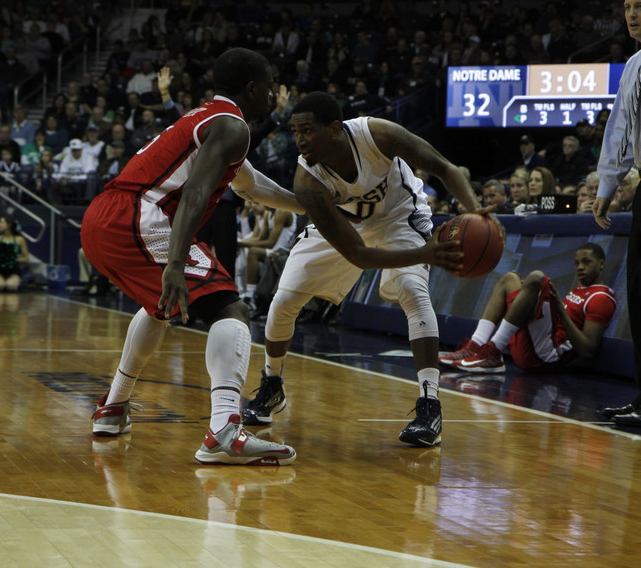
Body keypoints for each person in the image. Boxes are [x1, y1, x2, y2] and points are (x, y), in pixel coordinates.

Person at [80, 47, 303, 465]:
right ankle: (224, 431)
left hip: (107, 217)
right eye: (271, 87)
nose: (274, 96)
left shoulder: (209, 119)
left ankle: (113, 407)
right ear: (253, 88)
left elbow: (252, 186)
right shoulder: (232, 126)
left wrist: (309, 207)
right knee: (231, 309)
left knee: (162, 306)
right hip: (138, 216)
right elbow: (197, 193)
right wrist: (177, 265)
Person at [242, 91, 492, 449]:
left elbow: (444, 167)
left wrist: (475, 210)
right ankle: (272, 384)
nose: (299, 140)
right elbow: (358, 254)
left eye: (307, 131)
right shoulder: (307, 181)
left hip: (400, 215)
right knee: (284, 301)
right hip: (349, 226)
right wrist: (428, 254)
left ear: (333, 129)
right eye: (295, 131)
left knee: (412, 289)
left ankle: (430, 404)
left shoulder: (378, 134)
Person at [440, 242, 615, 374]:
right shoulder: (582, 289)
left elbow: (588, 349)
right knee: (509, 278)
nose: (580, 267)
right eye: (576, 263)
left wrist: (560, 310)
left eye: (586, 262)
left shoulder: (601, 298)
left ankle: (492, 353)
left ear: (601, 264)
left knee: (538, 278)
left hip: (547, 355)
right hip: (538, 342)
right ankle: (475, 345)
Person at [594, 0, 641, 428]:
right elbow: (620, 133)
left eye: (640, 6)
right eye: (627, 6)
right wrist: (606, 188)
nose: (632, 14)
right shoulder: (633, 65)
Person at [0, 213, 29, 291]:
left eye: (1, 222)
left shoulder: (19, 239)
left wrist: (12, 259)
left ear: (9, 225)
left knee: (10, 286)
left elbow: (26, 259)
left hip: (13, 270)